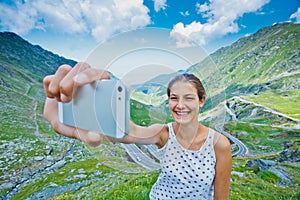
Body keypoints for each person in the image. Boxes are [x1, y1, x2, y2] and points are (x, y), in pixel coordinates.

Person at [43, 62, 232, 199]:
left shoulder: (219, 144)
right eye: (174, 98)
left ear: (201, 100)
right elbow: (126, 131)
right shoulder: (163, 134)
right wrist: (83, 111)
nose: (180, 105)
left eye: (189, 98)